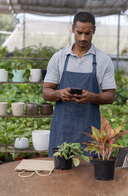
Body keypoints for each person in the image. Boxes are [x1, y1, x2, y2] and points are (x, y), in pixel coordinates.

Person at [43, 12, 116, 156]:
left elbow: (110, 96)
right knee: (60, 172)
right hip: (62, 128)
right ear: (72, 29)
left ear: (94, 31)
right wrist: (59, 93)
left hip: (89, 131)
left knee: (88, 174)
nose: (82, 38)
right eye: (79, 33)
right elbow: (46, 92)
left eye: (87, 33)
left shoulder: (103, 60)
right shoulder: (59, 58)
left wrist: (92, 97)